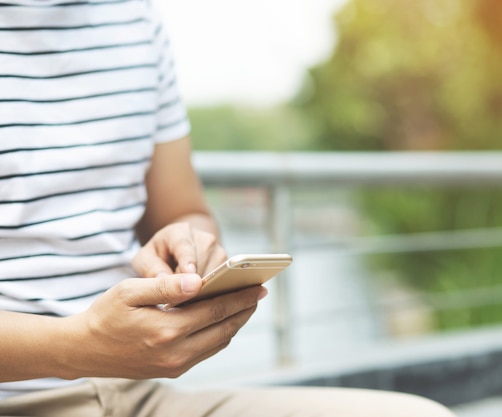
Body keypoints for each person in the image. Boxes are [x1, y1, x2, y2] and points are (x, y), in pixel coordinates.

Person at [0, 0, 456, 415]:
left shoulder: (135, 18)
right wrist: (76, 346)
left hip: (136, 397)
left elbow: (184, 211)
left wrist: (191, 245)